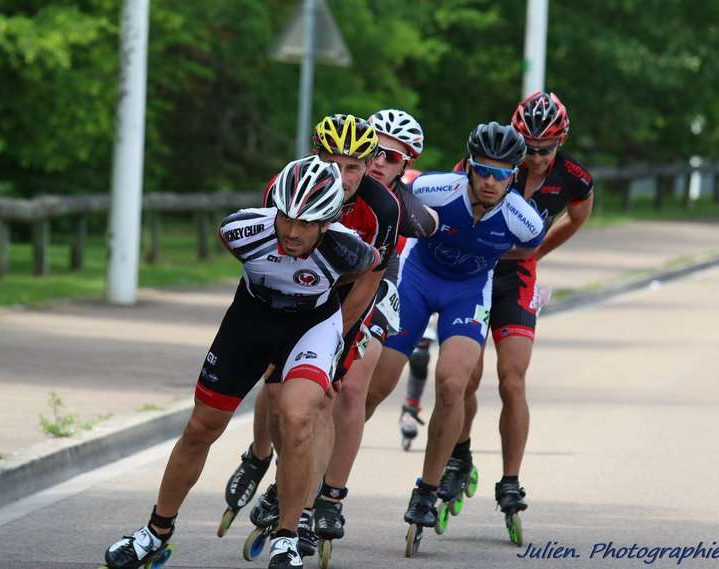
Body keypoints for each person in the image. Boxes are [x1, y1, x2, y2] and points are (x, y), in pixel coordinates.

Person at [102, 155, 381, 569]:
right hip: (250, 318)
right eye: (286, 218)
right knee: (201, 427)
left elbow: (373, 271)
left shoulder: (349, 250)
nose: (290, 231)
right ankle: (156, 532)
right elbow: (243, 244)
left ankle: (287, 537)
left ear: (328, 223)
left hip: (311, 325)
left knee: (297, 416)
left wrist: (342, 329)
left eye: (306, 224)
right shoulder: (242, 229)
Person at [222, 114, 401, 558]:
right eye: (332, 163)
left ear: (369, 166)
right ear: (314, 157)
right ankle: (263, 457)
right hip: (294, 291)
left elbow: (367, 282)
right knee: (278, 390)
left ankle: (304, 507)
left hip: (350, 295)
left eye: (354, 168)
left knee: (325, 398)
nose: (341, 178)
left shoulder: (383, 208)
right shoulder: (287, 185)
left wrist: (333, 337)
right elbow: (266, 255)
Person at [363, 122, 545, 534]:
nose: (490, 181)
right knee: (376, 384)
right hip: (416, 281)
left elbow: (526, 249)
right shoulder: (432, 188)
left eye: (501, 174)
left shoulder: (525, 221)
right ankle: (326, 480)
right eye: (483, 170)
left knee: (451, 383)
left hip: (468, 292)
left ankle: (427, 490)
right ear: (469, 168)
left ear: (513, 176)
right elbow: (389, 189)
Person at [443, 91, 594, 517]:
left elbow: (579, 217)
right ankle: (459, 453)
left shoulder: (574, 178)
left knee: (512, 380)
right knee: (466, 378)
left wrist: (536, 252)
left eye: (545, 149)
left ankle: (510, 480)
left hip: (517, 279)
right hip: (475, 273)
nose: (535, 156)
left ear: (560, 143)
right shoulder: (492, 163)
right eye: (528, 146)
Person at [313, 109, 439, 542]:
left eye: (389, 156)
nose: (378, 162)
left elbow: (433, 222)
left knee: (351, 389)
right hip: (321, 280)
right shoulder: (330, 180)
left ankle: (330, 497)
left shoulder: (396, 202)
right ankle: (262, 461)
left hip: (377, 284)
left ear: (404, 164)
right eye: (373, 152)